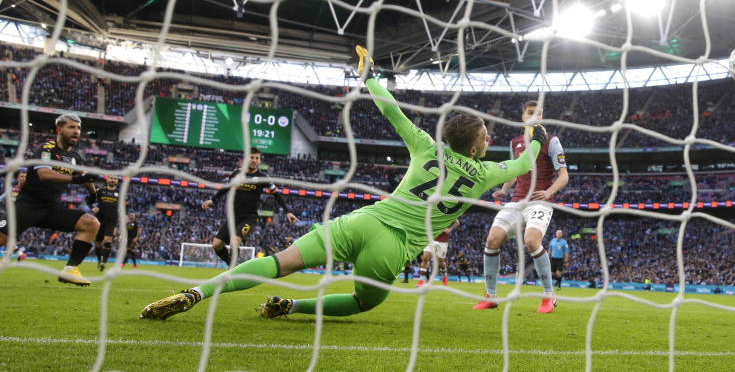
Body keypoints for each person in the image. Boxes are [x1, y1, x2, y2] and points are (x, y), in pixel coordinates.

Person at [140, 46, 549, 320]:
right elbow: (527, 161)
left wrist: (369, 76)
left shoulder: (425, 146)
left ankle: (198, 293)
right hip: (392, 250)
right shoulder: (490, 172)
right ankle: (295, 307)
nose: (490, 140)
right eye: (486, 137)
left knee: (280, 262)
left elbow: (391, 110)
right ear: (477, 149)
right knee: (361, 302)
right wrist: (536, 133)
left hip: (363, 222)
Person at [0, 113, 103, 286]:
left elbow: (84, 177)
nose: (76, 131)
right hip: (28, 206)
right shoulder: (46, 149)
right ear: (59, 129)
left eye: (78, 128)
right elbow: (44, 174)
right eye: (71, 127)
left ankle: (70, 269)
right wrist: (77, 180)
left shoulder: (74, 157)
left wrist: (93, 195)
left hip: (52, 208)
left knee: (91, 224)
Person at [473, 100, 568, 314]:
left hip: (540, 201)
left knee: (531, 241)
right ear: (523, 117)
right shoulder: (515, 142)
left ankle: (548, 297)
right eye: (530, 112)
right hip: (516, 200)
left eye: (539, 113)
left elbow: (564, 175)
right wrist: (504, 190)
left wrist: (549, 192)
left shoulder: (552, 141)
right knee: (492, 239)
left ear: (541, 118)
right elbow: (515, 171)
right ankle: (491, 296)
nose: (535, 116)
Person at [202, 147, 297, 267]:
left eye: (257, 158)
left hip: (249, 217)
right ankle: (232, 264)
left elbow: (276, 194)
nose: (254, 160)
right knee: (216, 245)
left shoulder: (263, 177)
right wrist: (213, 200)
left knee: (234, 242)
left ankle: (232, 270)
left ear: (260, 161)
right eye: (252, 157)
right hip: (233, 217)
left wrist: (287, 211)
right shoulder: (237, 174)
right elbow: (226, 187)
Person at [87, 174, 120, 271]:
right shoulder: (100, 192)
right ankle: (99, 259)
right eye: (111, 178)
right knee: (99, 244)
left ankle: (104, 262)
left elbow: (125, 206)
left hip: (112, 221)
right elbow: (88, 200)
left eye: (115, 178)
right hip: (99, 221)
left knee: (108, 240)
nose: (113, 180)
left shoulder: (120, 194)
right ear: (107, 179)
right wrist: (92, 207)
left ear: (117, 181)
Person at [416, 220, 459, 286]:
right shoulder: (429, 211)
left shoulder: (446, 212)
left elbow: (457, 222)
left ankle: (444, 275)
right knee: (425, 258)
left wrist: (450, 229)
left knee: (440, 262)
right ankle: (421, 280)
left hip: (442, 240)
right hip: (430, 238)